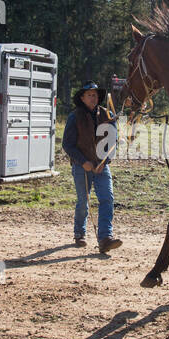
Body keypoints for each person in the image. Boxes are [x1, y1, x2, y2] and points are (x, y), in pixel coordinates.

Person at [62, 80, 121, 253]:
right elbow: (68, 144)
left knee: (107, 199)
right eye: (89, 95)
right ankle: (79, 233)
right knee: (83, 201)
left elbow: (112, 142)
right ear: (82, 97)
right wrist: (83, 162)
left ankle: (105, 238)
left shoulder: (107, 115)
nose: (93, 98)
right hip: (82, 166)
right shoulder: (74, 117)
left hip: (102, 166)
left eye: (95, 95)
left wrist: (105, 162)